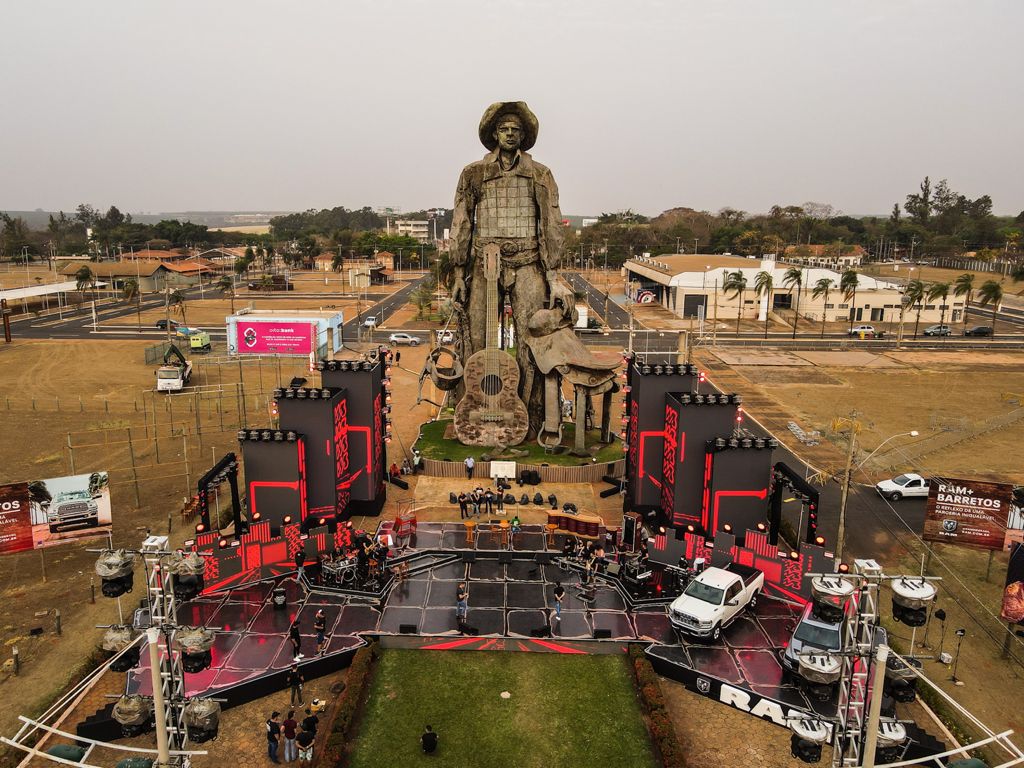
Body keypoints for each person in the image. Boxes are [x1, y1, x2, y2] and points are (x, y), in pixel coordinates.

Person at [449, 102, 574, 439]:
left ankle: (529, 416)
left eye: (515, 130)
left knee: (532, 338)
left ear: (524, 136)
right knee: (477, 338)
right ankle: (476, 411)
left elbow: (551, 225)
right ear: (493, 134)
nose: (509, 134)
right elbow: (461, 223)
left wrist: (553, 277)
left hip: (528, 261)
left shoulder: (539, 174)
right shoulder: (473, 173)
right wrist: (460, 274)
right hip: (484, 262)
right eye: (503, 129)